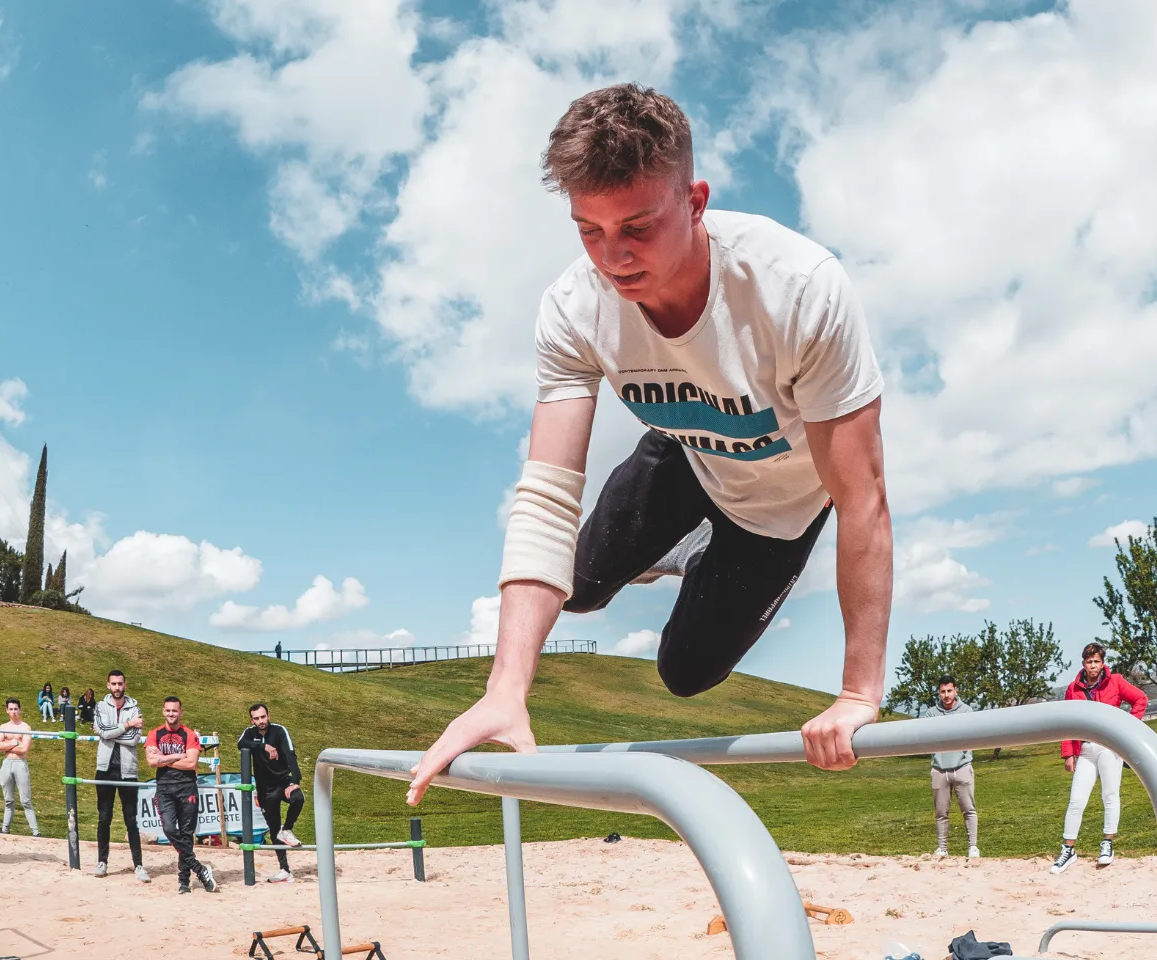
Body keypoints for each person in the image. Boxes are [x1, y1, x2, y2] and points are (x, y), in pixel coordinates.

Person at [408, 83, 892, 802]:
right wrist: (505, 690)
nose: (614, 257)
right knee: (575, 587)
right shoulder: (574, 308)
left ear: (695, 202)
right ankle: (674, 539)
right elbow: (545, 494)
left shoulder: (800, 290)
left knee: (685, 673)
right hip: (683, 456)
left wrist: (858, 691)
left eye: (637, 226)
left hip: (780, 508)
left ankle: (700, 554)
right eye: (589, 230)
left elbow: (863, 502)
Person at [1050, 643, 1148, 874]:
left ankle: (1107, 843)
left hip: (1109, 748)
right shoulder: (1073, 688)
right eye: (1089, 662)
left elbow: (1140, 699)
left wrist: (1126, 729)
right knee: (1076, 800)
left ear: (1102, 662)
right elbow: (1067, 721)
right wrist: (1068, 753)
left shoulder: (1116, 681)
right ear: (1083, 663)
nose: (1093, 666)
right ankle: (1068, 849)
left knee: (1110, 795)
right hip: (1085, 750)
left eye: (1096, 661)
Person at [145, 697, 217, 894]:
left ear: (181, 712)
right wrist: (177, 756)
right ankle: (199, 868)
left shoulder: (189, 735)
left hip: (187, 787)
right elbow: (151, 761)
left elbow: (191, 764)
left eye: (174, 711)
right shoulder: (154, 734)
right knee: (169, 829)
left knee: (186, 834)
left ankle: (184, 881)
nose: (171, 714)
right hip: (164, 787)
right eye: (168, 710)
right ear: (163, 711)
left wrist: (163, 759)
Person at [93, 670, 150, 883]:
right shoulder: (100, 706)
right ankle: (102, 861)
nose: (117, 687)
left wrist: (111, 733)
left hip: (128, 770)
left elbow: (134, 739)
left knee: (131, 819)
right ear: (108, 685)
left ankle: (138, 865)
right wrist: (127, 725)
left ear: (125, 684)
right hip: (105, 768)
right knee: (104, 817)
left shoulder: (135, 708)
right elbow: (103, 731)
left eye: (120, 684)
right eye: (113, 684)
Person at [238, 703, 304, 883]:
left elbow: (291, 754)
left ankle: (288, 829)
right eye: (257, 718)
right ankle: (284, 870)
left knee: (298, 799)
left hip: (283, 782)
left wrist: (295, 781)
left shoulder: (279, 730)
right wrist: (263, 746)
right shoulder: (249, 733)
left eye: (263, 717)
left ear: (269, 715)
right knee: (274, 829)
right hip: (265, 789)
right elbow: (240, 743)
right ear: (252, 720)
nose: (261, 721)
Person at [924, 676, 978, 859]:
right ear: (939, 693)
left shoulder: (967, 711)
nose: (946, 695)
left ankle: (973, 847)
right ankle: (942, 848)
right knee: (941, 812)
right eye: (943, 691)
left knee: (969, 809)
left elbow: (971, 735)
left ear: (956, 690)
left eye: (949, 691)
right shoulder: (931, 714)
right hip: (939, 770)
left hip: (962, 767)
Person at [0, 698, 40, 837]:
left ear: (19, 710)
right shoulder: (3, 727)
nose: (13, 712)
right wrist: (15, 742)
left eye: (16, 709)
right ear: (7, 710)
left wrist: (8, 744)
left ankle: (35, 831)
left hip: (20, 763)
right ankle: (5, 828)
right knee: (8, 800)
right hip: (7, 763)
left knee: (25, 800)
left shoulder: (25, 728)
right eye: (11, 709)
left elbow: (24, 749)